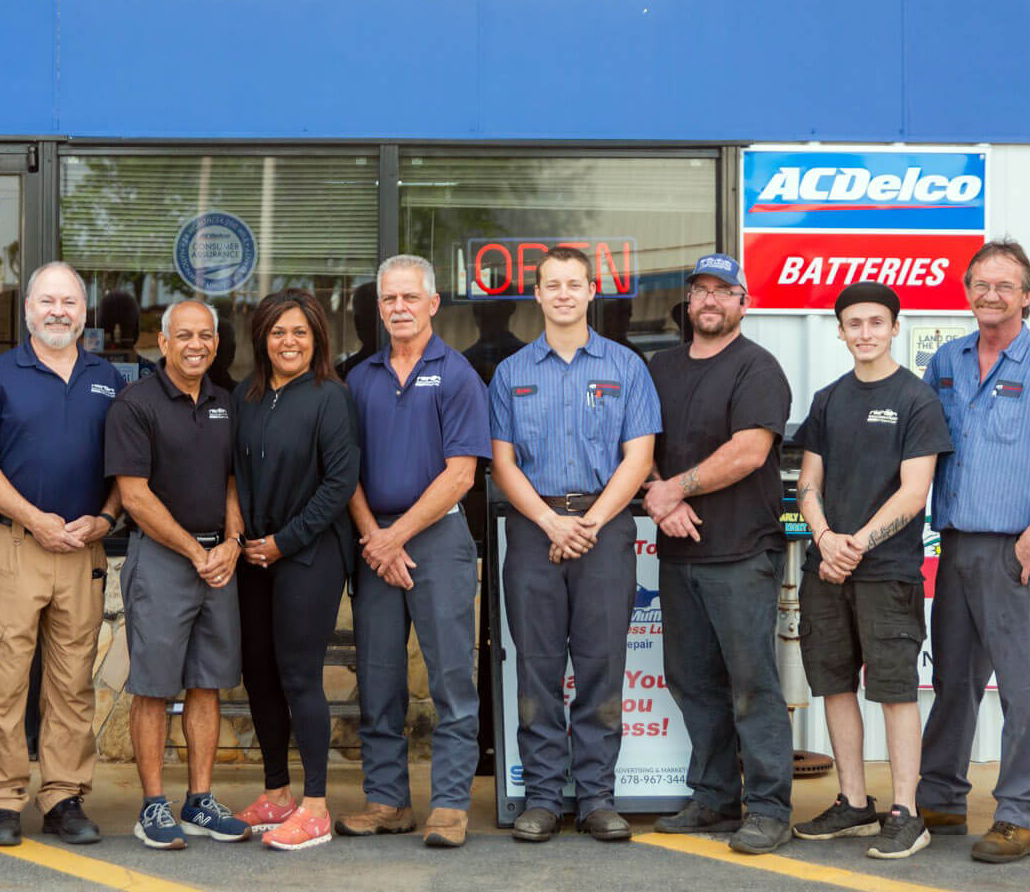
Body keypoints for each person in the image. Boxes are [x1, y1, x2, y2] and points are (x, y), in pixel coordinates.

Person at [918, 240, 1030, 863]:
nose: (990, 294)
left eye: (1005, 285)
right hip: (956, 544)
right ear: (967, 291)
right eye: (981, 284)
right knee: (953, 681)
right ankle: (939, 798)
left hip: (1014, 551)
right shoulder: (945, 360)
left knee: (1023, 687)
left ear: (1027, 296)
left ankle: (1018, 815)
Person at [487, 246, 659, 844]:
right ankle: (540, 799)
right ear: (536, 295)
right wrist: (550, 523)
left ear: (591, 292)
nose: (563, 293)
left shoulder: (626, 367)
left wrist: (587, 524)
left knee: (600, 664)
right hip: (534, 530)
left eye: (573, 284)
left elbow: (640, 457)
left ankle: (595, 798)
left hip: (605, 528)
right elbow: (503, 464)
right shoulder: (511, 373)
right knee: (536, 666)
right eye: (552, 284)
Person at [0, 261, 123, 847]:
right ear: (28, 310)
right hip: (16, 545)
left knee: (72, 681)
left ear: (84, 313)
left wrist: (104, 518)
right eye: (48, 301)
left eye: (70, 303)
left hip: (83, 549)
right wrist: (36, 520)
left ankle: (62, 796)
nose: (59, 312)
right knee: (4, 679)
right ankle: (3, 799)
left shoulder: (108, 378)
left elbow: (127, 468)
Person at [790, 283, 952, 860]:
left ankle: (906, 811)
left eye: (875, 323)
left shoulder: (916, 399)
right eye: (853, 323)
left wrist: (855, 542)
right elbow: (809, 482)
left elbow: (914, 493)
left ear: (894, 327)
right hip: (827, 568)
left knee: (894, 690)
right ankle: (855, 804)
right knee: (834, 684)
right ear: (839, 330)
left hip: (887, 572)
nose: (864, 333)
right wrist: (826, 538)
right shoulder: (829, 399)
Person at [644, 253, 795, 855]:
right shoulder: (660, 368)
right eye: (700, 290)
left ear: (742, 302)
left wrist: (676, 488)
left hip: (741, 553)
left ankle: (768, 807)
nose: (709, 300)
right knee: (691, 680)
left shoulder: (758, 368)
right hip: (680, 552)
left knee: (751, 682)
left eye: (722, 291)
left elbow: (750, 451)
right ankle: (713, 797)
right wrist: (663, 498)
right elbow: (638, 441)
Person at [339, 255, 490, 848]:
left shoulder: (457, 375)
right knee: (378, 681)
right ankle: (387, 801)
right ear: (379, 309)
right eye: (389, 300)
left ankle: (450, 806)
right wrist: (375, 538)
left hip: (437, 539)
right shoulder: (360, 379)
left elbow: (461, 475)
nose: (399, 308)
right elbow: (343, 470)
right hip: (373, 540)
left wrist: (392, 537)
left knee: (453, 678)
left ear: (433, 304)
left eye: (410, 298)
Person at [105, 299, 254, 850]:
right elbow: (134, 496)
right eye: (184, 335)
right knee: (153, 685)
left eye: (206, 335)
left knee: (206, 683)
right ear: (163, 343)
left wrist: (233, 543)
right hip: (166, 561)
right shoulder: (135, 404)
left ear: (217, 343)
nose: (197, 344)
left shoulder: (226, 401)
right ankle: (152, 807)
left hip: (219, 560)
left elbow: (234, 481)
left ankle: (199, 801)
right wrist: (196, 551)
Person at [232, 290, 361, 851]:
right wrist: (247, 540)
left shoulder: (331, 396)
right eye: (279, 331)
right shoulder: (247, 396)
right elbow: (231, 472)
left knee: (300, 675)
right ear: (262, 337)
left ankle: (315, 806)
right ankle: (277, 793)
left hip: (308, 553)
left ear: (318, 340)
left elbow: (339, 483)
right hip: (254, 555)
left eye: (300, 333)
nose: (289, 341)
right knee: (258, 672)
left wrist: (284, 542)